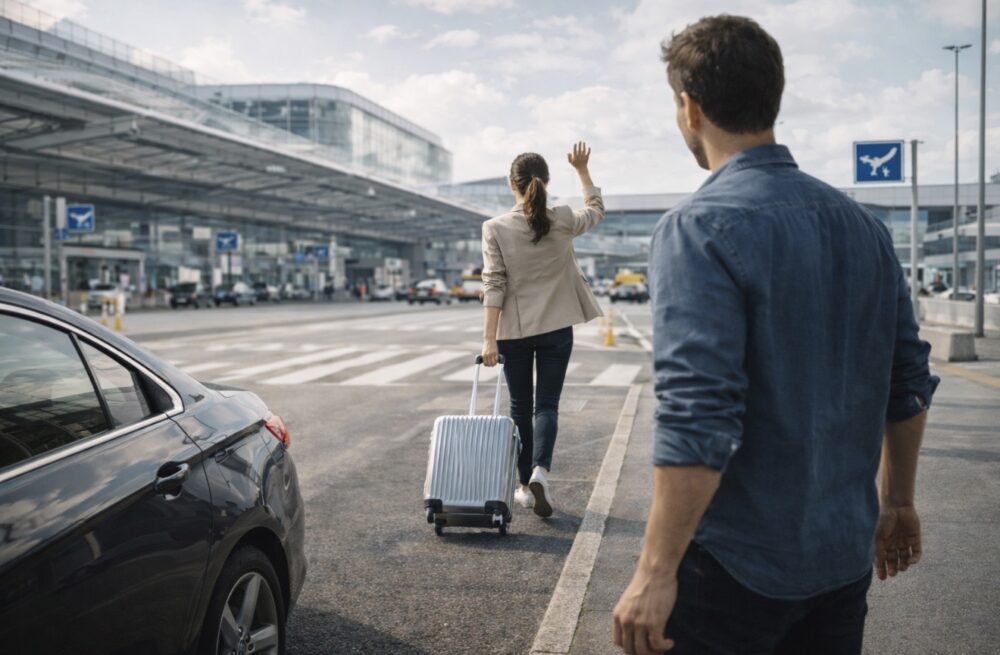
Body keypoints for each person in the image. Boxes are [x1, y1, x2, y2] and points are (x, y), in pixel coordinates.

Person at [612, 16, 939, 655]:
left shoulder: (698, 227)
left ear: (689, 107)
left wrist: (654, 571)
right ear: (773, 99)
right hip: (840, 558)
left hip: (734, 568)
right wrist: (896, 502)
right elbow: (907, 379)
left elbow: (699, 414)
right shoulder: (864, 227)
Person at [480, 142, 604, 517]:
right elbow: (595, 210)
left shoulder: (495, 228)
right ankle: (540, 471)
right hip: (556, 329)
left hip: (513, 332)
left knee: (521, 407)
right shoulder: (563, 218)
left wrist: (488, 338)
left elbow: (494, 283)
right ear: (546, 182)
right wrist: (582, 170)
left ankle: (523, 486)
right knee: (547, 405)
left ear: (510, 184)